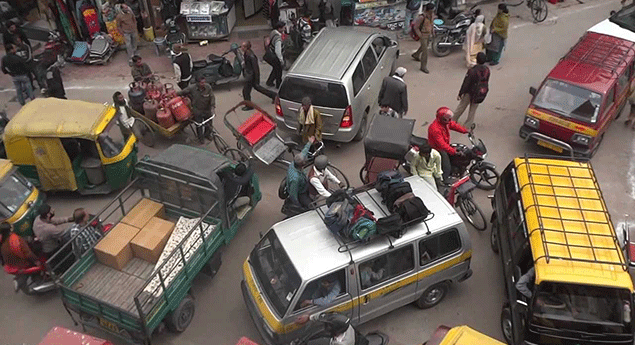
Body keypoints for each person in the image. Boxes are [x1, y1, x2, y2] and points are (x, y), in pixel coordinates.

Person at [428, 107, 468, 181]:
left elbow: (453, 125)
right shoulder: (435, 129)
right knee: (447, 167)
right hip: (438, 148)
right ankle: (444, 180)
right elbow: (442, 145)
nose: (449, 121)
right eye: (447, 119)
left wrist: (465, 130)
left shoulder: (445, 123)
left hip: (445, 145)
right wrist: (454, 151)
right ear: (441, 118)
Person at [453, 52, 490, 128]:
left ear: (477, 60)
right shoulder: (487, 70)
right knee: (472, 110)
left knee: (461, 107)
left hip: (469, 92)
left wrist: (460, 93)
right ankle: (467, 126)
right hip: (479, 93)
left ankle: (452, 121)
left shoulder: (472, 71)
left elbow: (466, 83)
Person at [177, 76, 215, 143]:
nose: (203, 84)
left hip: (207, 109)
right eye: (201, 83)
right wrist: (175, 94)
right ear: (197, 83)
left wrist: (212, 107)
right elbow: (182, 92)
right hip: (197, 110)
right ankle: (200, 138)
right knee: (199, 125)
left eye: (204, 82)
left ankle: (207, 135)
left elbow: (212, 97)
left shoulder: (208, 87)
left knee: (209, 124)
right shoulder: (192, 88)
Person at [241, 41, 277, 110]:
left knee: (246, 91)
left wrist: (256, 78)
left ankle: (249, 106)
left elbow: (256, 68)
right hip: (250, 76)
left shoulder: (251, 56)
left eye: (243, 46)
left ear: (246, 47)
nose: (241, 48)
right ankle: (273, 95)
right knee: (258, 89)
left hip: (251, 77)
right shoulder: (247, 54)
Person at [287, 137, 315, 209]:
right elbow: (293, 194)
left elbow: (304, 152)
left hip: (304, 184)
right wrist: (298, 205)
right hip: (301, 193)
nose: (305, 162)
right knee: (311, 206)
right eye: (304, 162)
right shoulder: (295, 179)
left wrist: (310, 142)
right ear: (301, 165)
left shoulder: (295, 162)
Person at [411, 3, 434, 74]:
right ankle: (423, 66)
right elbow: (416, 27)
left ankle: (416, 55)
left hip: (428, 34)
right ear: (428, 10)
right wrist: (420, 35)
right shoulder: (421, 17)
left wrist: (433, 32)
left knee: (424, 47)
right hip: (423, 35)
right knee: (425, 52)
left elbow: (431, 24)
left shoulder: (430, 16)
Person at [265, 21, 285, 88]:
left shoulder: (273, 32)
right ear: (279, 29)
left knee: (275, 69)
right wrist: (281, 60)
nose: (284, 29)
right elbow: (278, 51)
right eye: (283, 28)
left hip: (271, 53)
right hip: (275, 57)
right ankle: (278, 85)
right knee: (279, 71)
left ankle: (269, 81)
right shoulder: (278, 39)